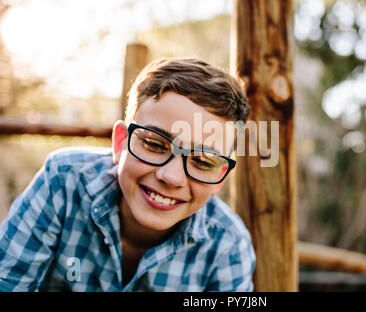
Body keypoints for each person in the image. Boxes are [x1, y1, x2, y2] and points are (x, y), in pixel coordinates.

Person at [0, 57, 255, 291]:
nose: (172, 176)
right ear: (121, 142)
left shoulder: (228, 246)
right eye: (154, 144)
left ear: (220, 176)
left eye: (202, 161)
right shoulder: (63, 180)